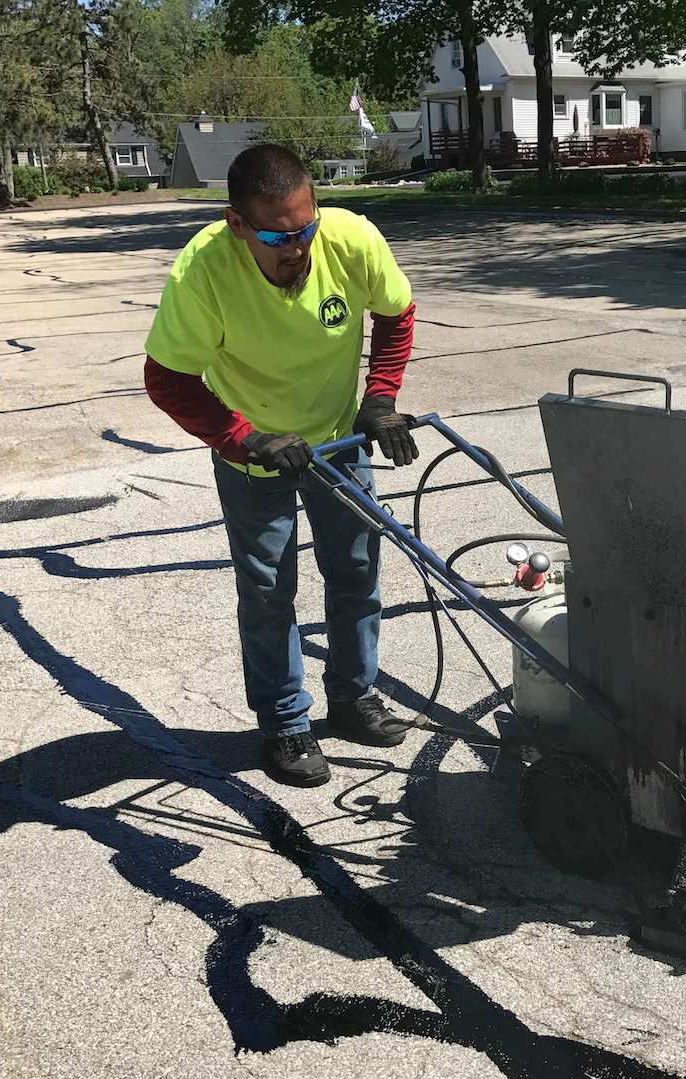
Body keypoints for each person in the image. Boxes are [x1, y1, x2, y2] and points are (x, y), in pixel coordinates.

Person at [142, 143, 420, 789]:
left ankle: (353, 700)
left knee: (355, 575)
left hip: (337, 444)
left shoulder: (351, 240)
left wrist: (379, 400)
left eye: (305, 228)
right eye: (275, 234)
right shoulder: (202, 274)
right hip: (256, 458)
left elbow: (396, 312)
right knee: (269, 595)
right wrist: (247, 438)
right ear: (237, 224)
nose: (295, 247)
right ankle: (285, 723)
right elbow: (168, 380)